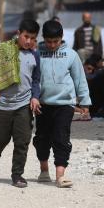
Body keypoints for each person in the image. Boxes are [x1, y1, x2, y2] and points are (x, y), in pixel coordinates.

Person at [0, 19, 41, 188]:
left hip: (24, 105)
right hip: (3, 105)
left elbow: (36, 80)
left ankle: (17, 175)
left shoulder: (35, 55)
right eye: (26, 36)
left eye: (33, 38)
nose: (28, 41)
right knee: (0, 139)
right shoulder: (1, 52)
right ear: (19, 33)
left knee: (22, 141)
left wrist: (35, 96)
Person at [33, 20, 91, 188]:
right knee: (42, 138)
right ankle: (44, 171)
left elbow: (80, 80)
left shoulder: (71, 55)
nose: (52, 45)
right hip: (42, 104)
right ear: (43, 38)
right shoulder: (36, 54)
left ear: (62, 38)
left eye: (55, 41)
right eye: (48, 41)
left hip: (65, 104)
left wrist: (84, 101)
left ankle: (60, 176)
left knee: (61, 138)